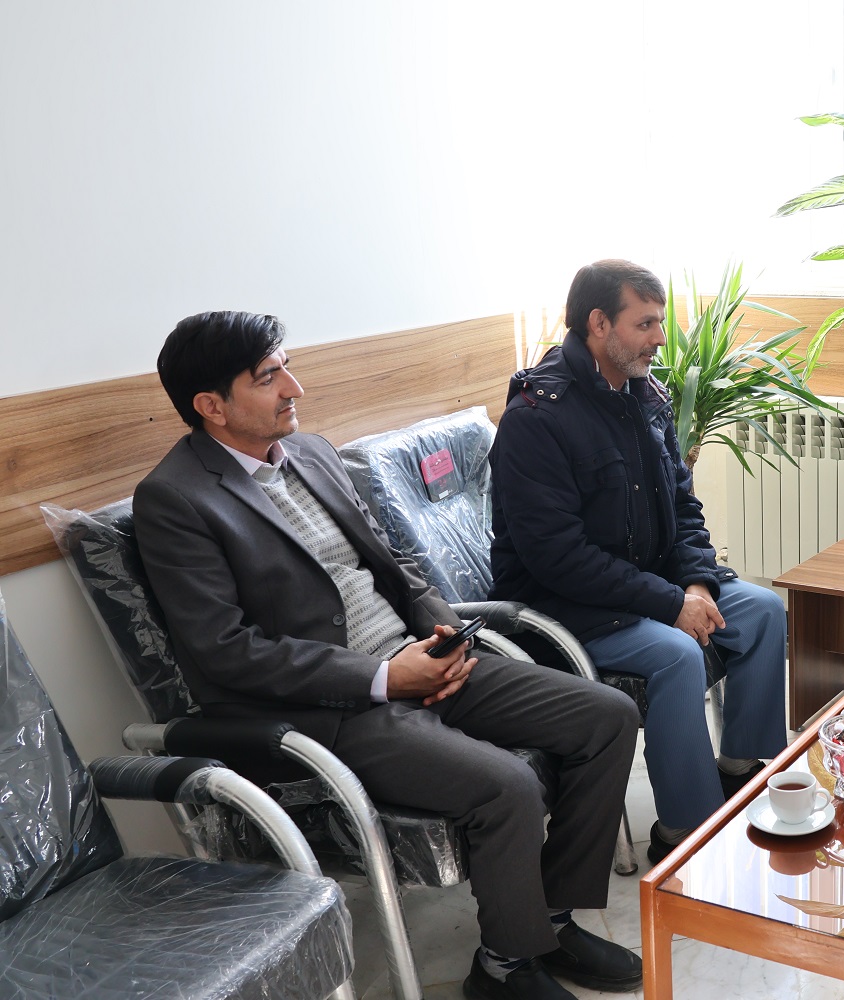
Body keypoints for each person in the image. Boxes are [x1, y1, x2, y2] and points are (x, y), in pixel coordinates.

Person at [134, 311, 642, 1000]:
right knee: (508, 785)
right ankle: (506, 966)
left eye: (287, 367)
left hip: (419, 657)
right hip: (332, 708)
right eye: (268, 377)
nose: (294, 388)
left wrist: (448, 638)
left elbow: (395, 563)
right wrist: (381, 678)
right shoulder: (175, 499)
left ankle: (552, 921)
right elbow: (225, 652)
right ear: (211, 406)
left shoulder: (311, 453)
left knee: (606, 716)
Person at [488, 260, 788, 864]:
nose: (659, 338)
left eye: (659, 322)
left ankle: (737, 772)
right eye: (645, 323)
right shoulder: (537, 418)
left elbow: (682, 507)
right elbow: (558, 559)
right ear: (599, 324)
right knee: (677, 655)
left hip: (648, 586)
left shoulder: (644, 396)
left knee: (762, 610)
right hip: (565, 607)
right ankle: (685, 833)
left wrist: (696, 584)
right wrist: (671, 603)